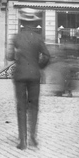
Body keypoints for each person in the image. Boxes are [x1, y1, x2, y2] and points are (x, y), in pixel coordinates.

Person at [7, 8, 51, 149]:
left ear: (22, 22)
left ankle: (23, 141)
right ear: (33, 22)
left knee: (21, 107)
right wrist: (38, 66)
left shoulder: (16, 37)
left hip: (20, 75)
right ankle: (33, 137)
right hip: (34, 75)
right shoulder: (38, 37)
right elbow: (47, 56)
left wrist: (18, 57)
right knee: (34, 106)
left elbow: (9, 56)